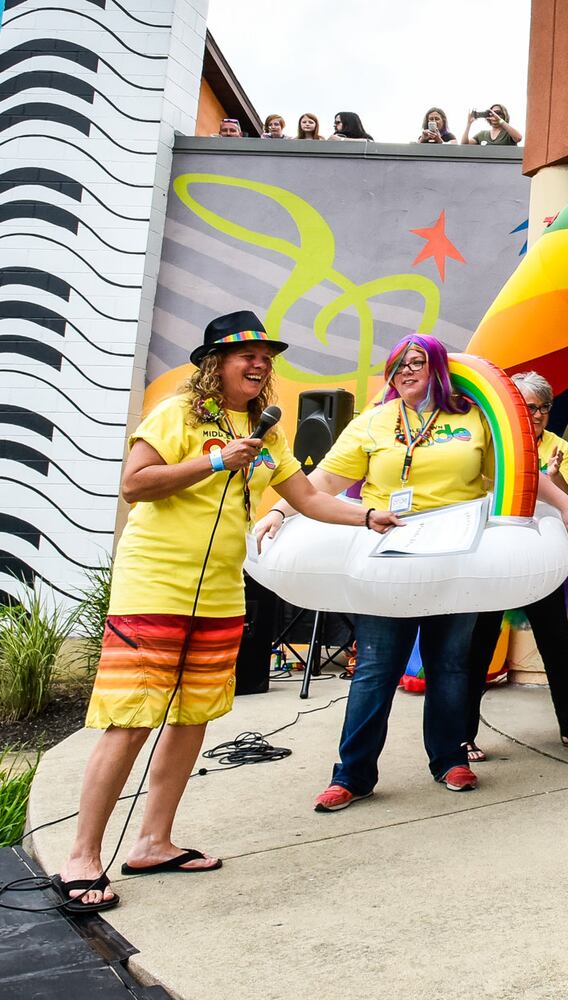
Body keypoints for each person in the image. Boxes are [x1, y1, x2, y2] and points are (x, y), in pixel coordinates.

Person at [53, 312, 401, 914]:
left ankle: (153, 843)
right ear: (215, 362)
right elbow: (135, 484)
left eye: (266, 355)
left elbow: (310, 498)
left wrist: (368, 516)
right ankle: (82, 856)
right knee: (133, 718)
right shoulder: (178, 413)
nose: (260, 363)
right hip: (156, 585)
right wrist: (216, 462)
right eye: (247, 354)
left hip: (218, 591)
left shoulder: (267, 431)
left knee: (193, 717)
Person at [257, 334, 568, 812]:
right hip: (389, 550)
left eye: (418, 362)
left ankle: (448, 759)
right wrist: (281, 513)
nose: (407, 371)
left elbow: (515, 472)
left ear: (437, 368)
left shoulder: (470, 418)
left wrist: (564, 506)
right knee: (374, 669)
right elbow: (324, 481)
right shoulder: (373, 422)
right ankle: (352, 775)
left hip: (457, 552)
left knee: (450, 664)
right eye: (397, 365)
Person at [464, 371, 568, 760]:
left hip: (541, 558)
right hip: (494, 556)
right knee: (479, 645)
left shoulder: (560, 446)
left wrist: (554, 480)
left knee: (557, 643)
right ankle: (463, 735)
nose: (536, 414)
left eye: (543, 407)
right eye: (528, 407)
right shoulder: (493, 442)